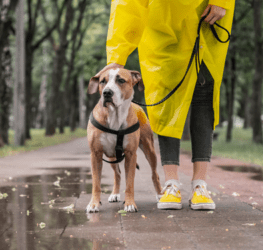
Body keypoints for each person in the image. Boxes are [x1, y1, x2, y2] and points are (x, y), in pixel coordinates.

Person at [95, 0, 235, 210]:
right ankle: (171, 184)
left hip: (204, 18)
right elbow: (126, 4)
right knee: (165, 104)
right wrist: (117, 55)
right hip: (161, 28)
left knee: (203, 98)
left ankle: (200, 185)